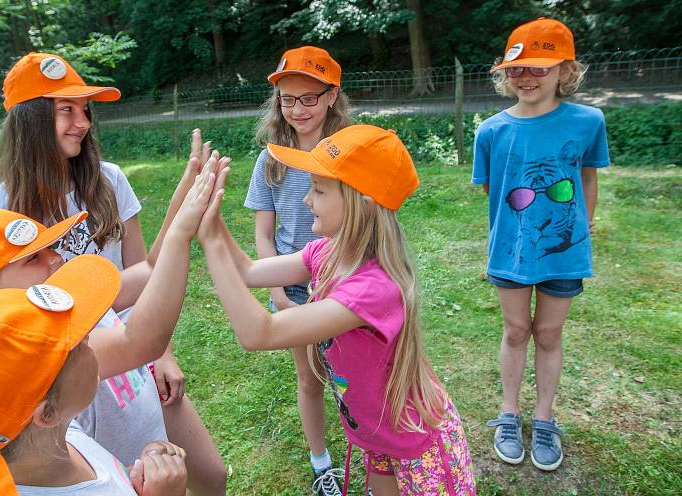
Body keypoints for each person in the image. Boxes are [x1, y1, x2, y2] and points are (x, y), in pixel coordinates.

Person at [0, 52, 226, 493]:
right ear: (28, 122)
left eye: (85, 109)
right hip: (72, 387)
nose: (83, 122)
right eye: (65, 110)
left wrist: (160, 353)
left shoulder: (107, 180)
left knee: (210, 476)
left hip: (134, 357)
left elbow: (142, 269)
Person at [199, 125, 476, 495]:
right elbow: (248, 272)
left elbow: (258, 332)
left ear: (364, 200)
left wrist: (210, 242)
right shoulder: (327, 253)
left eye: (319, 190)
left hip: (417, 446)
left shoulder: (374, 288)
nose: (305, 200)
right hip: (377, 436)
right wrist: (211, 219)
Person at [0, 255, 187, 496]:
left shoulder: (57, 441)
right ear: (46, 413)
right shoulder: (50, 445)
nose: (90, 336)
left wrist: (134, 478)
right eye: (77, 346)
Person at [472, 18, 610, 471]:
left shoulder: (589, 121)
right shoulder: (491, 130)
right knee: (516, 330)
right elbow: (494, 192)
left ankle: (544, 417)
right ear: (504, 74)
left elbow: (586, 176)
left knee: (549, 333)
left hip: (565, 251)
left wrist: (583, 226)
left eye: (540, 68)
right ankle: (509, 413)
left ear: (565, 71)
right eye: (516, 69)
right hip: (511, 251)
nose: (526, 77)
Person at [244, 45, 351, 496]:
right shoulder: (271, 159)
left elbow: (372, 225)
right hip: (296, 289)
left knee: (353, 377)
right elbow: (264, 236)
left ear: (331, 96)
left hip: (348, 284)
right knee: (309, 376)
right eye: (288, 99)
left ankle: (366, 447)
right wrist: (282, 294)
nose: (298, 109)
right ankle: (321, 461)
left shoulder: (352, 152)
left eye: (309, 97)